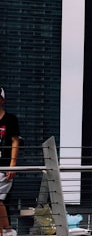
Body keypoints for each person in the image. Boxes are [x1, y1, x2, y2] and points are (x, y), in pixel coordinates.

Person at [0, 89, 18, 236]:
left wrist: (12, 165)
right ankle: (7, 230)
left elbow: (15, 141)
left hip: (3, 166)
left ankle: (6, 230)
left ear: (3, 100)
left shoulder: (10, 119)